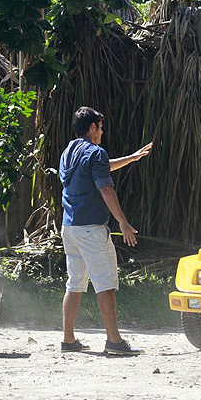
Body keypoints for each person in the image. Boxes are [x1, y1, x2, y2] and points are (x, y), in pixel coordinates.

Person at [59, 106, 152, 355]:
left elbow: (96, 169)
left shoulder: (68, 152)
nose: (102, 132)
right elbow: (105, 188)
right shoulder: (96, 152)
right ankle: (114, 341)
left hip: (69, 228)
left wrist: (131, 158)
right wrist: (122, 221)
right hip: (91, 230)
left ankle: (68, 341)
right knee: (105, 284)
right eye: (100, 127)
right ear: (93, 128)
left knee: (75, 284)